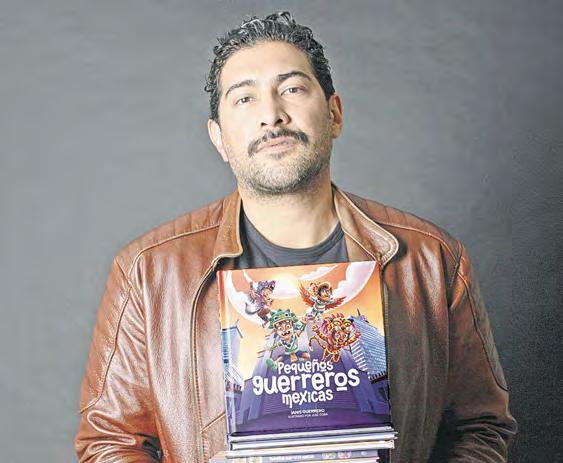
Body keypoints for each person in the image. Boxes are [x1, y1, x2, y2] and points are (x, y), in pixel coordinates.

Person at [74, 11, 517, 462]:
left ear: (334, 114)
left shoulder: (431, 259)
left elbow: (480, 427)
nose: (272, 115)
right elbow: (110, 441)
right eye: (244, 98)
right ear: (219, 138)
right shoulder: (149, 271)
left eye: (292, 89)